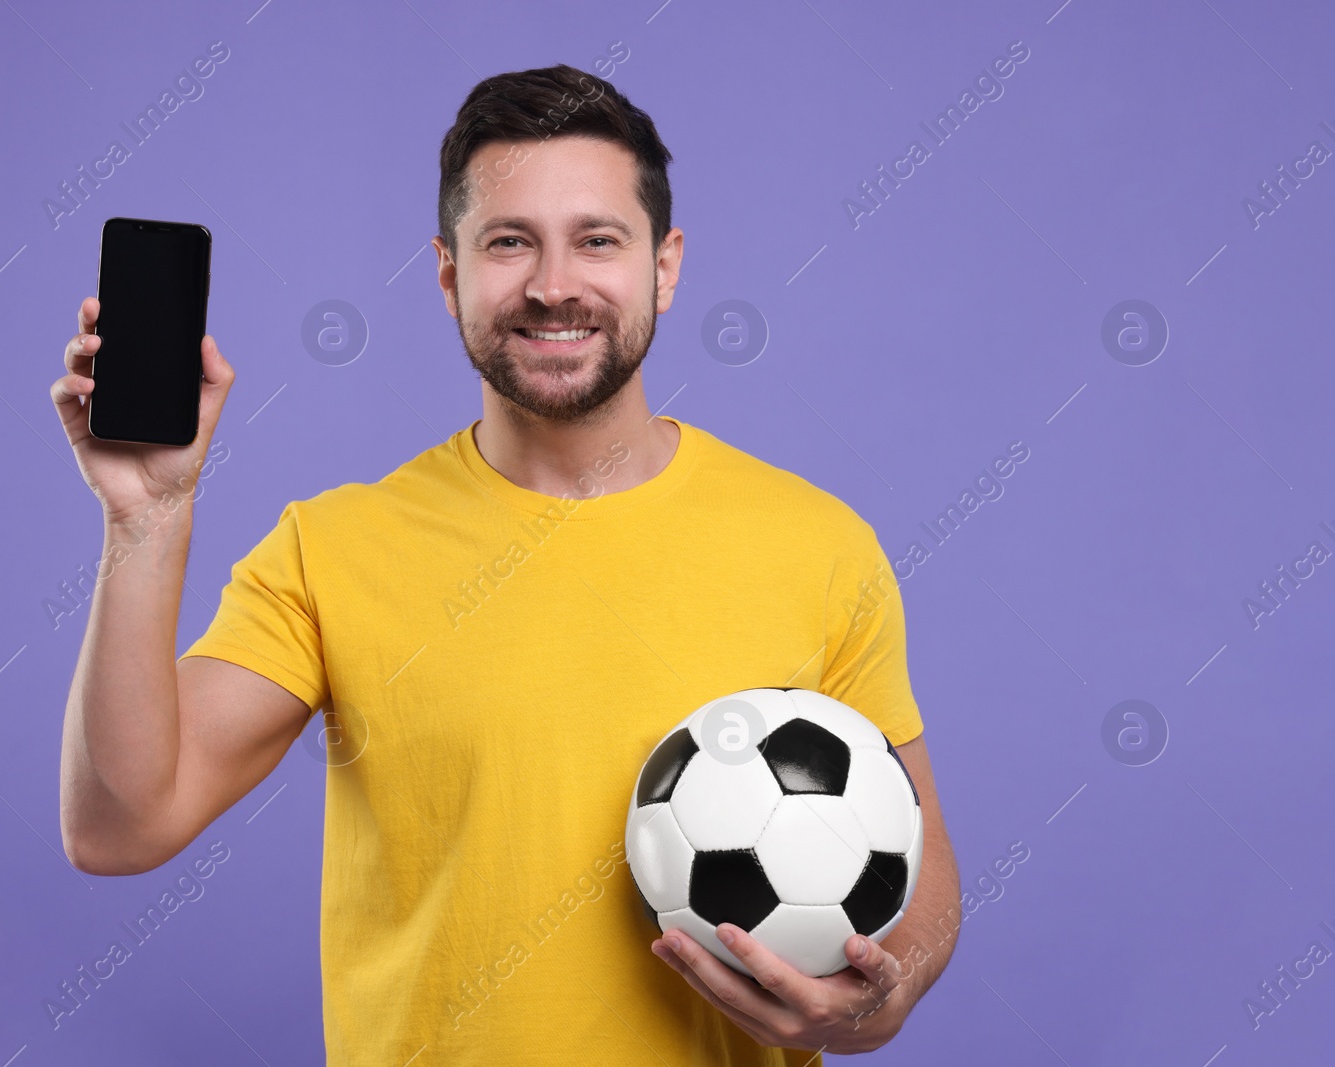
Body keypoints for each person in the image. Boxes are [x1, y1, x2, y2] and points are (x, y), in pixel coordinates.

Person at [51, 63, 959, 1065]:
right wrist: (147, 519)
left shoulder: (817, 542)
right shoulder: (334, 547)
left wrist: (875, 1000)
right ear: (448, 275)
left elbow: (916, 886)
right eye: (509, 242)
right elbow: (118, 827)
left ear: (664, 264)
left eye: (597, 240)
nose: (553, 283)